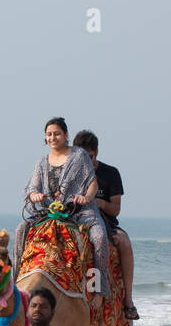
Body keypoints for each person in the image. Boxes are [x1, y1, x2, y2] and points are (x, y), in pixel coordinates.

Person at [12, 118, 111, 310]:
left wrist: (87, 198)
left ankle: (100, 289)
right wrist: (35, 195)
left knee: (99, 237)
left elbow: (92, 183)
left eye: (56, 133)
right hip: (48, 211)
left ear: (66, 135)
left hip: (78, 210)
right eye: (49, 134)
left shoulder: (79, 155)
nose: (53, 137)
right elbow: (32, 187)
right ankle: (15, 282)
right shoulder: (41, 162)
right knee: (19, 230)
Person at [73, 130, 139, 320]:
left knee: (125, 242)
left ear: (97, 152)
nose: (87, 161)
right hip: (77, 221)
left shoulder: (110, 173)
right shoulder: (72, 175)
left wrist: (98, 203)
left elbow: (116, 209)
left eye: (90, 157)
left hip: (106, 222)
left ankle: (128, 300)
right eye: (83, 157)